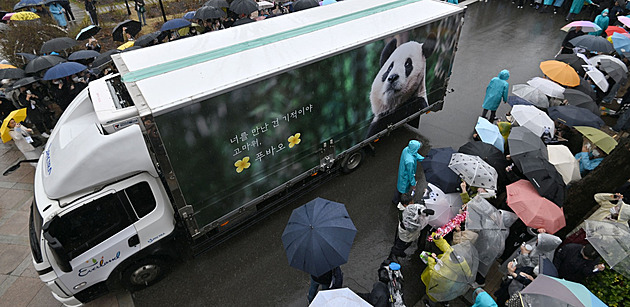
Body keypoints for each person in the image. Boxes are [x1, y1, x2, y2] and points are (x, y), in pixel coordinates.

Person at [390, 193, 434, 258]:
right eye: (411, 203)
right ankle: (396, 253)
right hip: (406, 233)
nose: (413, 204)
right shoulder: (404, 214)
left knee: (402, 242)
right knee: (403, 244)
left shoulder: (405, 208)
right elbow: (412, 222)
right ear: (405, 205)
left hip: (406, 232)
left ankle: (398, 251)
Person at [393, 140, 425, 205]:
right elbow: (410, 174)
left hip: (402, 172)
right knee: (402, 190)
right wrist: (413, 184)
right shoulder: (410, 161)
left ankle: (396, 200)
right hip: (405, 177)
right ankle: (397, 201)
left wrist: (424, 159)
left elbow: (415, 155)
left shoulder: (406, 149)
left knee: (400, 187)